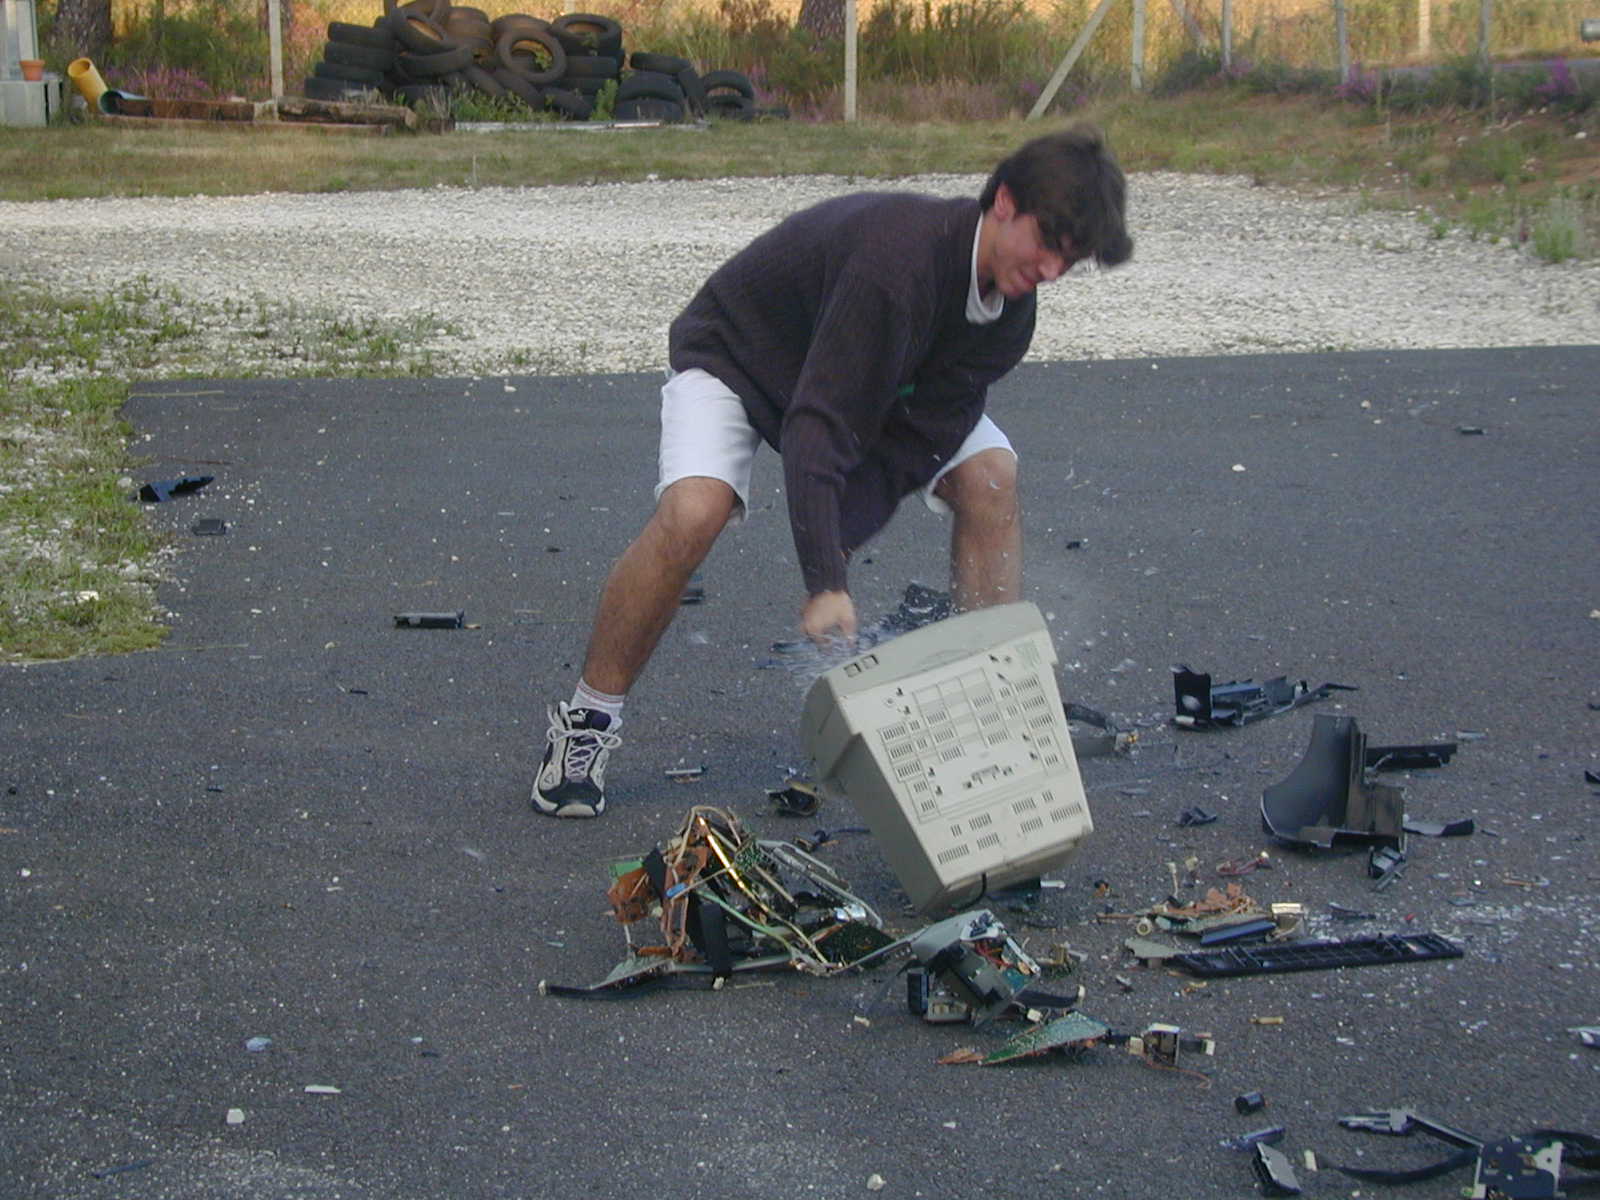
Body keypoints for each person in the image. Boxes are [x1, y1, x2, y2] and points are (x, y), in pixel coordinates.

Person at [534, 123, 1133, 818]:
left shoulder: (1010, 317)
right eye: (1048, 243)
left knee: (991, 476)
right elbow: (818, 425)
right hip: (741, 354)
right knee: (695, 511)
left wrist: (839, 540)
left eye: (1071, 259)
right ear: (1004, 201)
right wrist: (824, 580)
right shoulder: (896, 266)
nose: (1053, 270)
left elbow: (918, 440)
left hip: (869, 372)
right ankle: (587, 723)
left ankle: (987, 716)